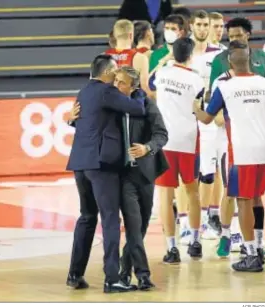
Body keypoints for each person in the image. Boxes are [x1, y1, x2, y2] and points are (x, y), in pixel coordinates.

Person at [66, 54, 145, 293]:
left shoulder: (84, 92)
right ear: (106, 72)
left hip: (81, 163)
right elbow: (137, 107)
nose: (117, 74)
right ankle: (112, 278)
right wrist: (138, 89)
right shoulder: (106, 92)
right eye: (115, 70)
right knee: (110, 219)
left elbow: (81, 121)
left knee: (87, 217)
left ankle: (74, 274)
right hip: (101, 165)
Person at [194, 46, 265, 272]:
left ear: (229, 64)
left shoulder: (225, 87)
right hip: (264, 150)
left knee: (243, 200)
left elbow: (206, 118)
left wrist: (194, 108)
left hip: (242, 151)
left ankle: (251, 253)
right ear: (251, 62)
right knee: (256, 198)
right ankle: (259, 245)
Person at [149, 37, 205, 263]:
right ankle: (195, 242)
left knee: (165, 195)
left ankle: (172, 249)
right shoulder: (196, 79)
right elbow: (199, 103)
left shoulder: (162, 74)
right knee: (192, 192)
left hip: (165, 142)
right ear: (191, 55)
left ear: (174, 53)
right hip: (189, 140)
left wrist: (166, 59)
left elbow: (149, 82)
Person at [114, 67, 168, 290]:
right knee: (133, 227)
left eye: (121, 83)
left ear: (133, 87)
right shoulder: (111, 106)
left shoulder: (146, 104)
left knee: (142, 226)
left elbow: (161, 134)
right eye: (115, 81)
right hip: (124, 176)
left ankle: (124, 271)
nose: (116, 86)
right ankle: (143, 275)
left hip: (145, 174)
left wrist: (147, 148)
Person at [189, 10, 223, 241]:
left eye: (220, 26)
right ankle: (190, 218)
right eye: (214, 26)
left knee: (214, 170)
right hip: (191, 119)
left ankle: (213, 213)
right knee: (196, 172)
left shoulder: (221, 54)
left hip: (211, 118)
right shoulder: (187, 52)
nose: (216, 30)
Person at [209, 17, 265, 89]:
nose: (234, 40)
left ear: (247, 35)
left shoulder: (262, 56)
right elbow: (212, 90)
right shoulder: (219, 59)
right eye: (231, 37)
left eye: (238, 36)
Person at [105, 19, 153, 97]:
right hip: (129, 105)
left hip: (107, 104)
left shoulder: (102, 57)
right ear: (131, 35)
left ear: (115, 35)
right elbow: (144, 89)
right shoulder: (140, 58)